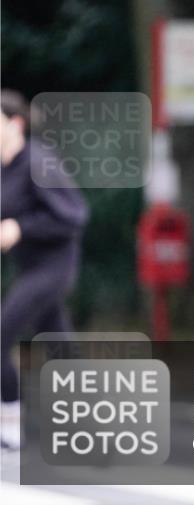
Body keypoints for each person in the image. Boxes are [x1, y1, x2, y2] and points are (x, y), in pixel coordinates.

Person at [0, 89, 89, 449]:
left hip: (53, 267)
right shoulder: (4, 169)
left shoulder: (40, 161)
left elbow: (74, 216)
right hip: (29, 267)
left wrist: (21, 228)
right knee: (58, 343)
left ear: (16, 123)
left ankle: (9, 420)